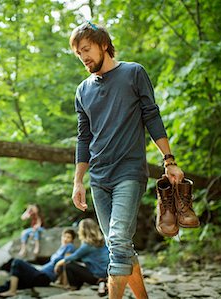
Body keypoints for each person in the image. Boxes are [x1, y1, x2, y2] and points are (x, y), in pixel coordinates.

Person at [69, 22, 190, 299]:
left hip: (129, 172)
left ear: (103, 44)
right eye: (78, 53)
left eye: (86, 49)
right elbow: (83, 138)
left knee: (119, 240)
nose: (83, 57)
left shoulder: (133, 73)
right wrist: (78, 181)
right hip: (99, 179)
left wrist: (168, 160)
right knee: (118, 246)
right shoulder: (82, 90)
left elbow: (152, 116)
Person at [0, 229, 76, 298]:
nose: (66, 239)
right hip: (40, 274)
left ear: (72, 240)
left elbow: (66, 264)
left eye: (69, 237)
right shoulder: (61, 248)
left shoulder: (69, 247)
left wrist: (65, 284)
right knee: (13, 281)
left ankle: (12, 291)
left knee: (17, 262)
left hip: (44, 277)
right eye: (64, 236)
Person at [54, 218, 108, 292]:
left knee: (69, 265)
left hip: (97, 277)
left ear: (83, 230)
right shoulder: (103, 241)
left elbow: (73, 257)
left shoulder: (87, 245)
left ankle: (74, 287)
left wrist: (58, 264)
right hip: (107, 275)